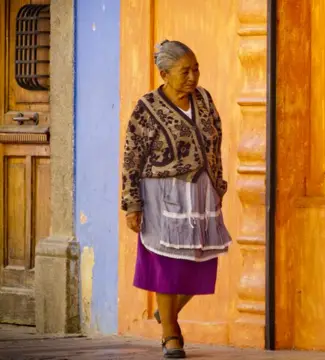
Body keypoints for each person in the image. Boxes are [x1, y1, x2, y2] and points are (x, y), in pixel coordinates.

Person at [120, 40, 231, 359]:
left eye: (196, 69)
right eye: (185, 71)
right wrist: (132, 203)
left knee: (202, 261)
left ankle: (166, 313)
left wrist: (218, 185)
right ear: (165, 74)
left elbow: (216, 140)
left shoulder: (205, 100)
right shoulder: (147, 107)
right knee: (165, 265)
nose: (193, 76)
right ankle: (171, 333)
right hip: (162, 194)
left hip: (201, 192)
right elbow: (132, 156)